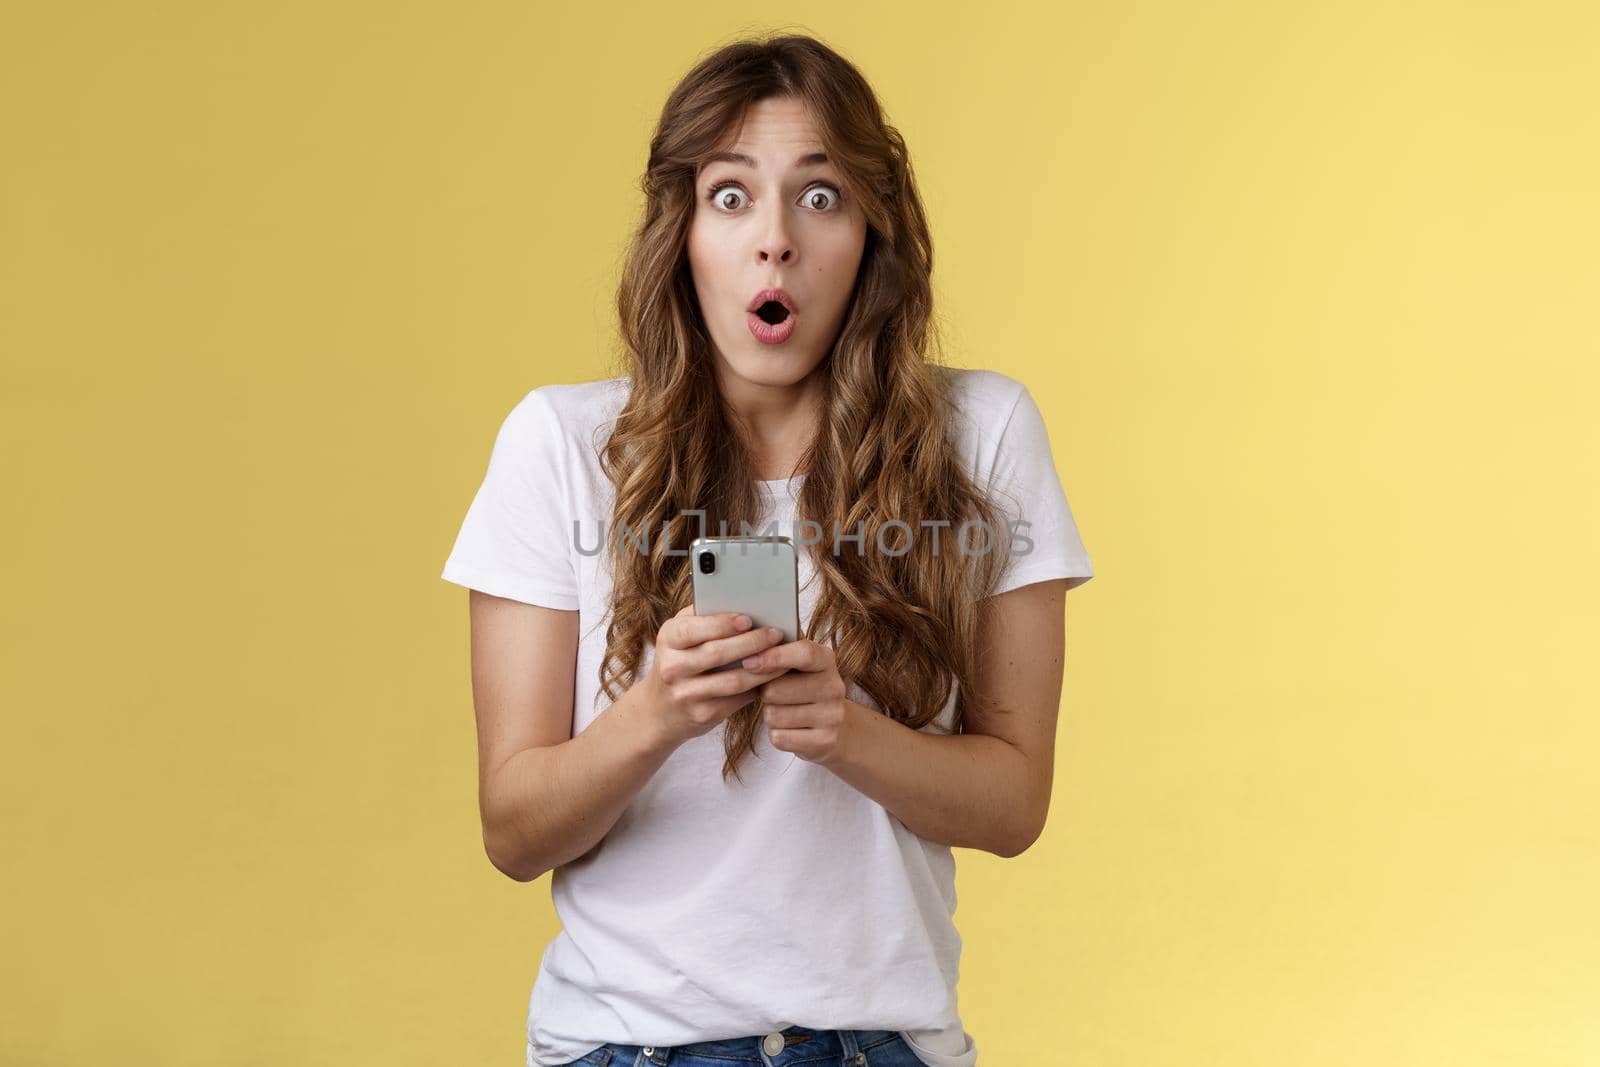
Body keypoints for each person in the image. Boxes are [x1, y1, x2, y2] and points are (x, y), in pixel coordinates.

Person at [441, 33, 1095, 1067]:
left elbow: (1013, 805)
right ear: (683, 232)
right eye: (732, 196)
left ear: (873, 232)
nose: (775, 241)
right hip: (626, 1048)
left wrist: (846, 731)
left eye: (821, 197)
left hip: (884, 1047)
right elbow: (513, 832)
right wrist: (654, 713)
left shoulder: (984, 432)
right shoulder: (558, 444)